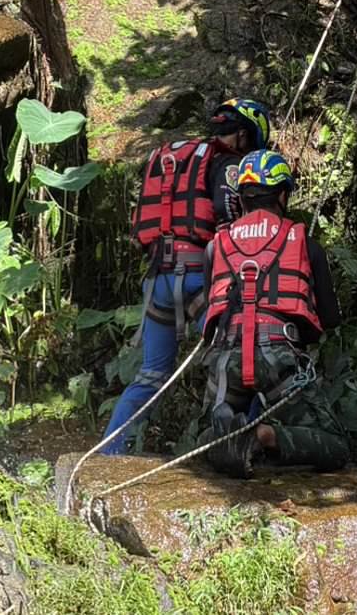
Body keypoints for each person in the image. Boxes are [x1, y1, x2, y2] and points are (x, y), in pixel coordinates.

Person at [99, 98, 272, 455]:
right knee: (244, 361)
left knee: (151, 375)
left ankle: (109, 454)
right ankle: (241, 448)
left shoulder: (178, 158)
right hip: (197, 279)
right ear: (243, 134)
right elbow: (228, 223)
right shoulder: (225, 165)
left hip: (157, 280)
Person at [196, 149, 347, 478]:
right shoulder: (304, 241)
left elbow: (213, 315)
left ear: (242, 198)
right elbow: (330, 319)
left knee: (201, 442)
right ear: (281, 194)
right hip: (279, 357)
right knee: (336, 444)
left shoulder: (215, 245)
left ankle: (230, 438)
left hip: (226, 359)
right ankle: (266, 436)